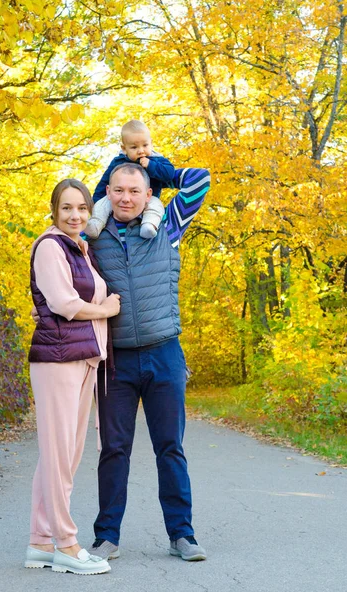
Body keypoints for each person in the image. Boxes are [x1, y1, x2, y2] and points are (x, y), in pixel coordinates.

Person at [86, 162, 211, 562]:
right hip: (116, 360)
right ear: (107, 191)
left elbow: (199, 180)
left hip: (164, 353)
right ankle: (106, 536)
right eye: (117, 190)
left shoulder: (168, 225)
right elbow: (55, 262)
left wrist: (148, 164)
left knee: (170, 447)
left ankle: (182, 535)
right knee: (114, 449)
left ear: (148, 194)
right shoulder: (92, 232)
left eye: (135, 191)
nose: (125, 198)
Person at [25, 178, 121, 576]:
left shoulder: (79, 247)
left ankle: (40, 542)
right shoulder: (50, 245)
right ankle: (66, 544)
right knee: (59, 454)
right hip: (58, 361)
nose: (75, 215)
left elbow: (65, 299)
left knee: (64, 455)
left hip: (82, 358)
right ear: (53, 210)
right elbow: (65, 304)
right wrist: (108, 309)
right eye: (67, 208)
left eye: (82, 208)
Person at [84, 119, 175, 240]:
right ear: (124, 148)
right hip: (117, 200)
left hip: (147, 200)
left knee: (156, 206)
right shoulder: (118, 162)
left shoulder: (157, 160)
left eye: (145, 145)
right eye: (134, 147)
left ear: (151, 143)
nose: (141, 150)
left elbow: (169, 174)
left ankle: (149, 226)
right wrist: (96, 202)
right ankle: (96, 224)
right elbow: (104, 183)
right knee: (103, 204)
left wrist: (151, 165)